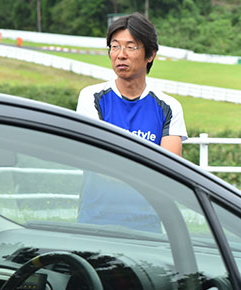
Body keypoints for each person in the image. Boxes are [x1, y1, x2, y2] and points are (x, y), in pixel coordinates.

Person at [75, 12, 187, 232]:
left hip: (148, 225)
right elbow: (97, 163)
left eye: (131, 47)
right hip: (95, 222)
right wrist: (149, 166)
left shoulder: (169, 106)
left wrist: (118, 163)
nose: (120, 55)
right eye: (115, 47)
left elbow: (170, 170)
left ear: (150, 54)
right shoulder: (92, 97)